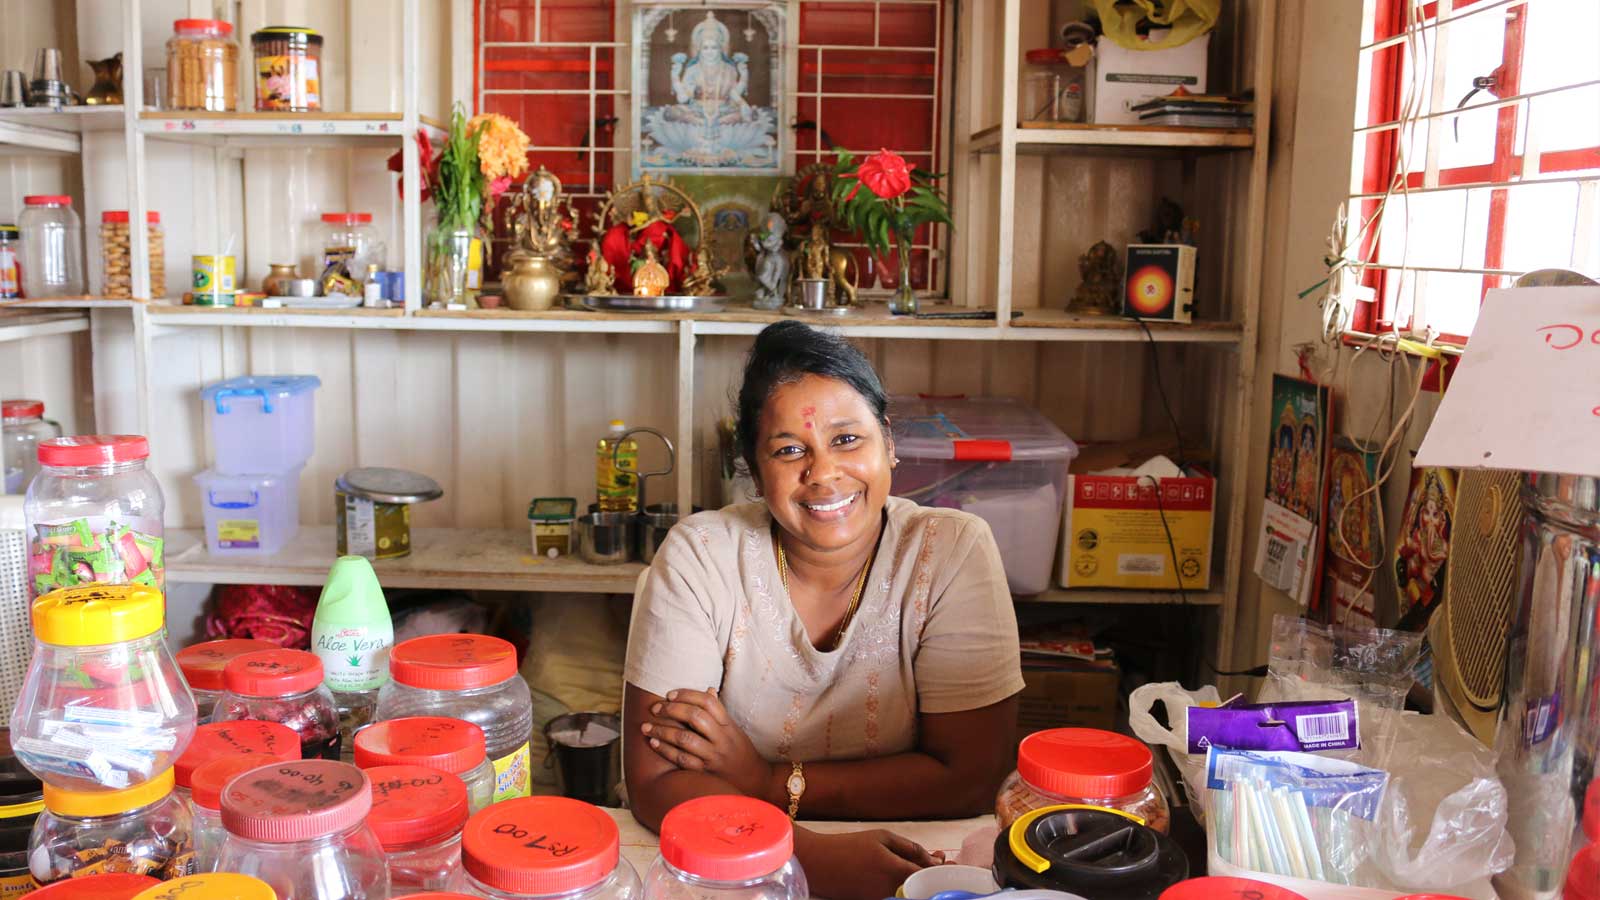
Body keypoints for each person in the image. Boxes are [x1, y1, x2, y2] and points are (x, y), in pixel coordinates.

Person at [624, 322, 1023, 900]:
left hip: (914, 861)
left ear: (888, 442)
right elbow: (656, 782)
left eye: (847, 440)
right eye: (789, 450)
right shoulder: (701, 557)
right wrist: (805, 857)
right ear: (755, 473)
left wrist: (765, 779)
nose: (824, 473)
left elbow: (970, 777)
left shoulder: (951, 552)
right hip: (735, 870)